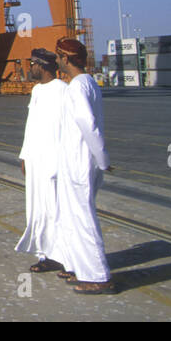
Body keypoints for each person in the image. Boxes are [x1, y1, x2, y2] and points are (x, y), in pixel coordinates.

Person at [54, 37, 116, 294]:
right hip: (82, 160)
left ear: (65, 59)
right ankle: (80, 267)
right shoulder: (89, 82)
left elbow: (88, 124)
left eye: (58, 57)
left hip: (80, 162)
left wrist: (103, 160)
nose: (57, 61)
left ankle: (100, 277)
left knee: (83, 218)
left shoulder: (77, 87)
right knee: (74, 216)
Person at [15, 48, 68, 273]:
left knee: (56, 208)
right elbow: (31, 125)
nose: (31, 68)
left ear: (43, 66)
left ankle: (65, 256)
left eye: (34, 64)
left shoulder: (63, 91)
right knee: (38, 208)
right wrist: (24, 155)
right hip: (35, 159)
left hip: (54, 160)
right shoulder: (37, 91)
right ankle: (46, 254)